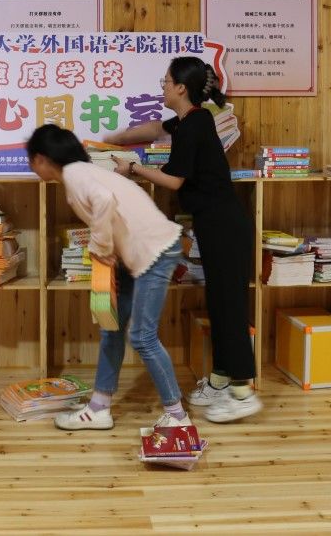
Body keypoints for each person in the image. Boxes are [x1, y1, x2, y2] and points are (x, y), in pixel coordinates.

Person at [105, 56, 262, 424]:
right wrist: (113, 139)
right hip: (214, 224)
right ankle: (221, 380)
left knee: (230, 306)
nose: (161, 86)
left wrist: (133, 168)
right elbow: (152, 129)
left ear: (180, 88)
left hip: (224, 225)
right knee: (218, 302)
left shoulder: (194, 126)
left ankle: (243, 392)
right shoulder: (190, 120)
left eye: (165, 81)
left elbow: (174, 181)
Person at [25, 124, 192, 431]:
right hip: (137, 254)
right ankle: (99, 408)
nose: (31, 166)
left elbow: (104, 201)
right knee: (111, 326)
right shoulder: (84, 172)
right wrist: (108, 252)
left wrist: (99, 248)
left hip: (154, 251)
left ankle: (178, 417)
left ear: (41, 159)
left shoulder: (75, 175)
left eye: (31, 160)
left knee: (142, 337)